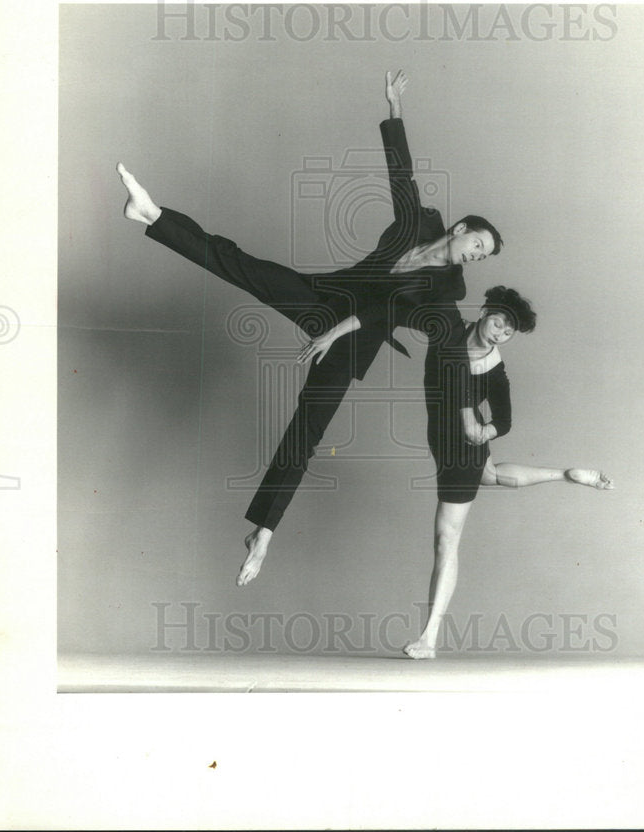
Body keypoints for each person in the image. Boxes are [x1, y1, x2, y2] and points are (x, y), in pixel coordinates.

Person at [117, 70, 503, 584]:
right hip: (328, 297)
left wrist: (334, 336)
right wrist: (394, 109)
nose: (477, 255)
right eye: (478, 244)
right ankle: (152, 215)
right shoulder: (418, 221)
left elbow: (388, 314)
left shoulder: (447, 290)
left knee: (308, 427)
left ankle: (263, 532)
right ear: (460, 229)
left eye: (484, 256)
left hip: (355, 337)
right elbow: (401, 174)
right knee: (245, 267)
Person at [403, 286, 614, 660]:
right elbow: (412, 320)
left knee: (446, 540)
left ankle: (428, 638)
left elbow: (504, 420)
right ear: (485, 313)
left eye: (508, 332)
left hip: (459, 451)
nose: (499, 334)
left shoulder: (494, 369)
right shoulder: (450, 331)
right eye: (498, 323)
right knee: (490, 475)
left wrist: (484, 431)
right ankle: (566, 474)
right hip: (448, 440)